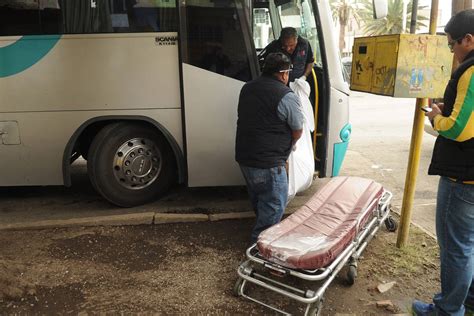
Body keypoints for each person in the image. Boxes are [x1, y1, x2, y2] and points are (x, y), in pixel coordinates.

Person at [412, 9, 474, 316]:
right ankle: (469, 299)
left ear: (468, 39)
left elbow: (460, 129)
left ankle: (448, 310)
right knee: (469, 243)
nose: (451, 51)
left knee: (456, 247)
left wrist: (437, 118)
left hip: (463, 176)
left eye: (452, 44)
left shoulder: (471, 71)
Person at [235, 53, 304, 244]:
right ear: (283, 74)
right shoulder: (285, 95)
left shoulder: (247, 88)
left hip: (245, 157)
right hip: (269, 163)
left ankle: (261, 239)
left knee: (260, 200)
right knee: (274, 208)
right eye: (288, 72)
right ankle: (259, 251)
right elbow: (297, 130)